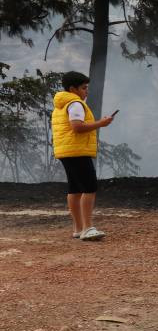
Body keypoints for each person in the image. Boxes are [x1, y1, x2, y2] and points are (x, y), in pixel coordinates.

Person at [51, 71, 114, 240]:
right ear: (73, 89)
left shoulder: (61, 105)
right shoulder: (75, 104)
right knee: (89, 187)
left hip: (66, 151)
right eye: (84, 88)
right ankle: (87, 227)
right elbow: (77, 127)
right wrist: (101, 123)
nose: (87, 91)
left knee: (75, 189)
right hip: (77, 151)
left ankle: (78, 228)